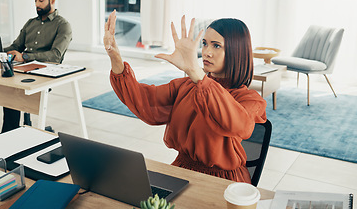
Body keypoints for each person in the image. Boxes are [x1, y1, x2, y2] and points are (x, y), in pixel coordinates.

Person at [103, 10, 266, 183]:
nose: (206, 52)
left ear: (237, 51)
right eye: (204, 44)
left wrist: (196, 73)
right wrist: (115, 57)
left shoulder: (251, 100)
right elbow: (143, 100)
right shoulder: (187, 85)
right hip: (183, 170)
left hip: (223, 182)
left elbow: (237, 123)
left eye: (216, 45)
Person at [0, 0, 72, 140]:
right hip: (21, 67)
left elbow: (56, 55)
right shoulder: (31, 23)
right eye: (35, 0)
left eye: (41, 0)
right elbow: (16, 45)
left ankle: (8, 137)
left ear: (52, 0)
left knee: (12, 90)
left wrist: (25, 56)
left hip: (42, 71)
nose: (37, 4)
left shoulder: (63, 25)